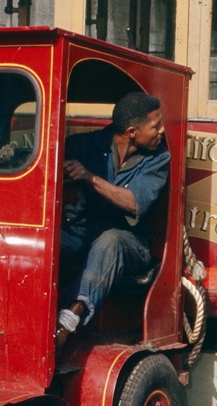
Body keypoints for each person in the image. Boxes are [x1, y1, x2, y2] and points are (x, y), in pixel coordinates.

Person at [55, 92, 169, 355]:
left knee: (111, 240)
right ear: (131, 132)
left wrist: (89, 178)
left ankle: (67, 323)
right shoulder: (84, 145)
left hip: (131, 244)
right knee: (47, 244)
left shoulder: (159, 158)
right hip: (82, 235)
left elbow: (134, 203)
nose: (162, 131)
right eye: (156, 126)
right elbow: (46, 161)